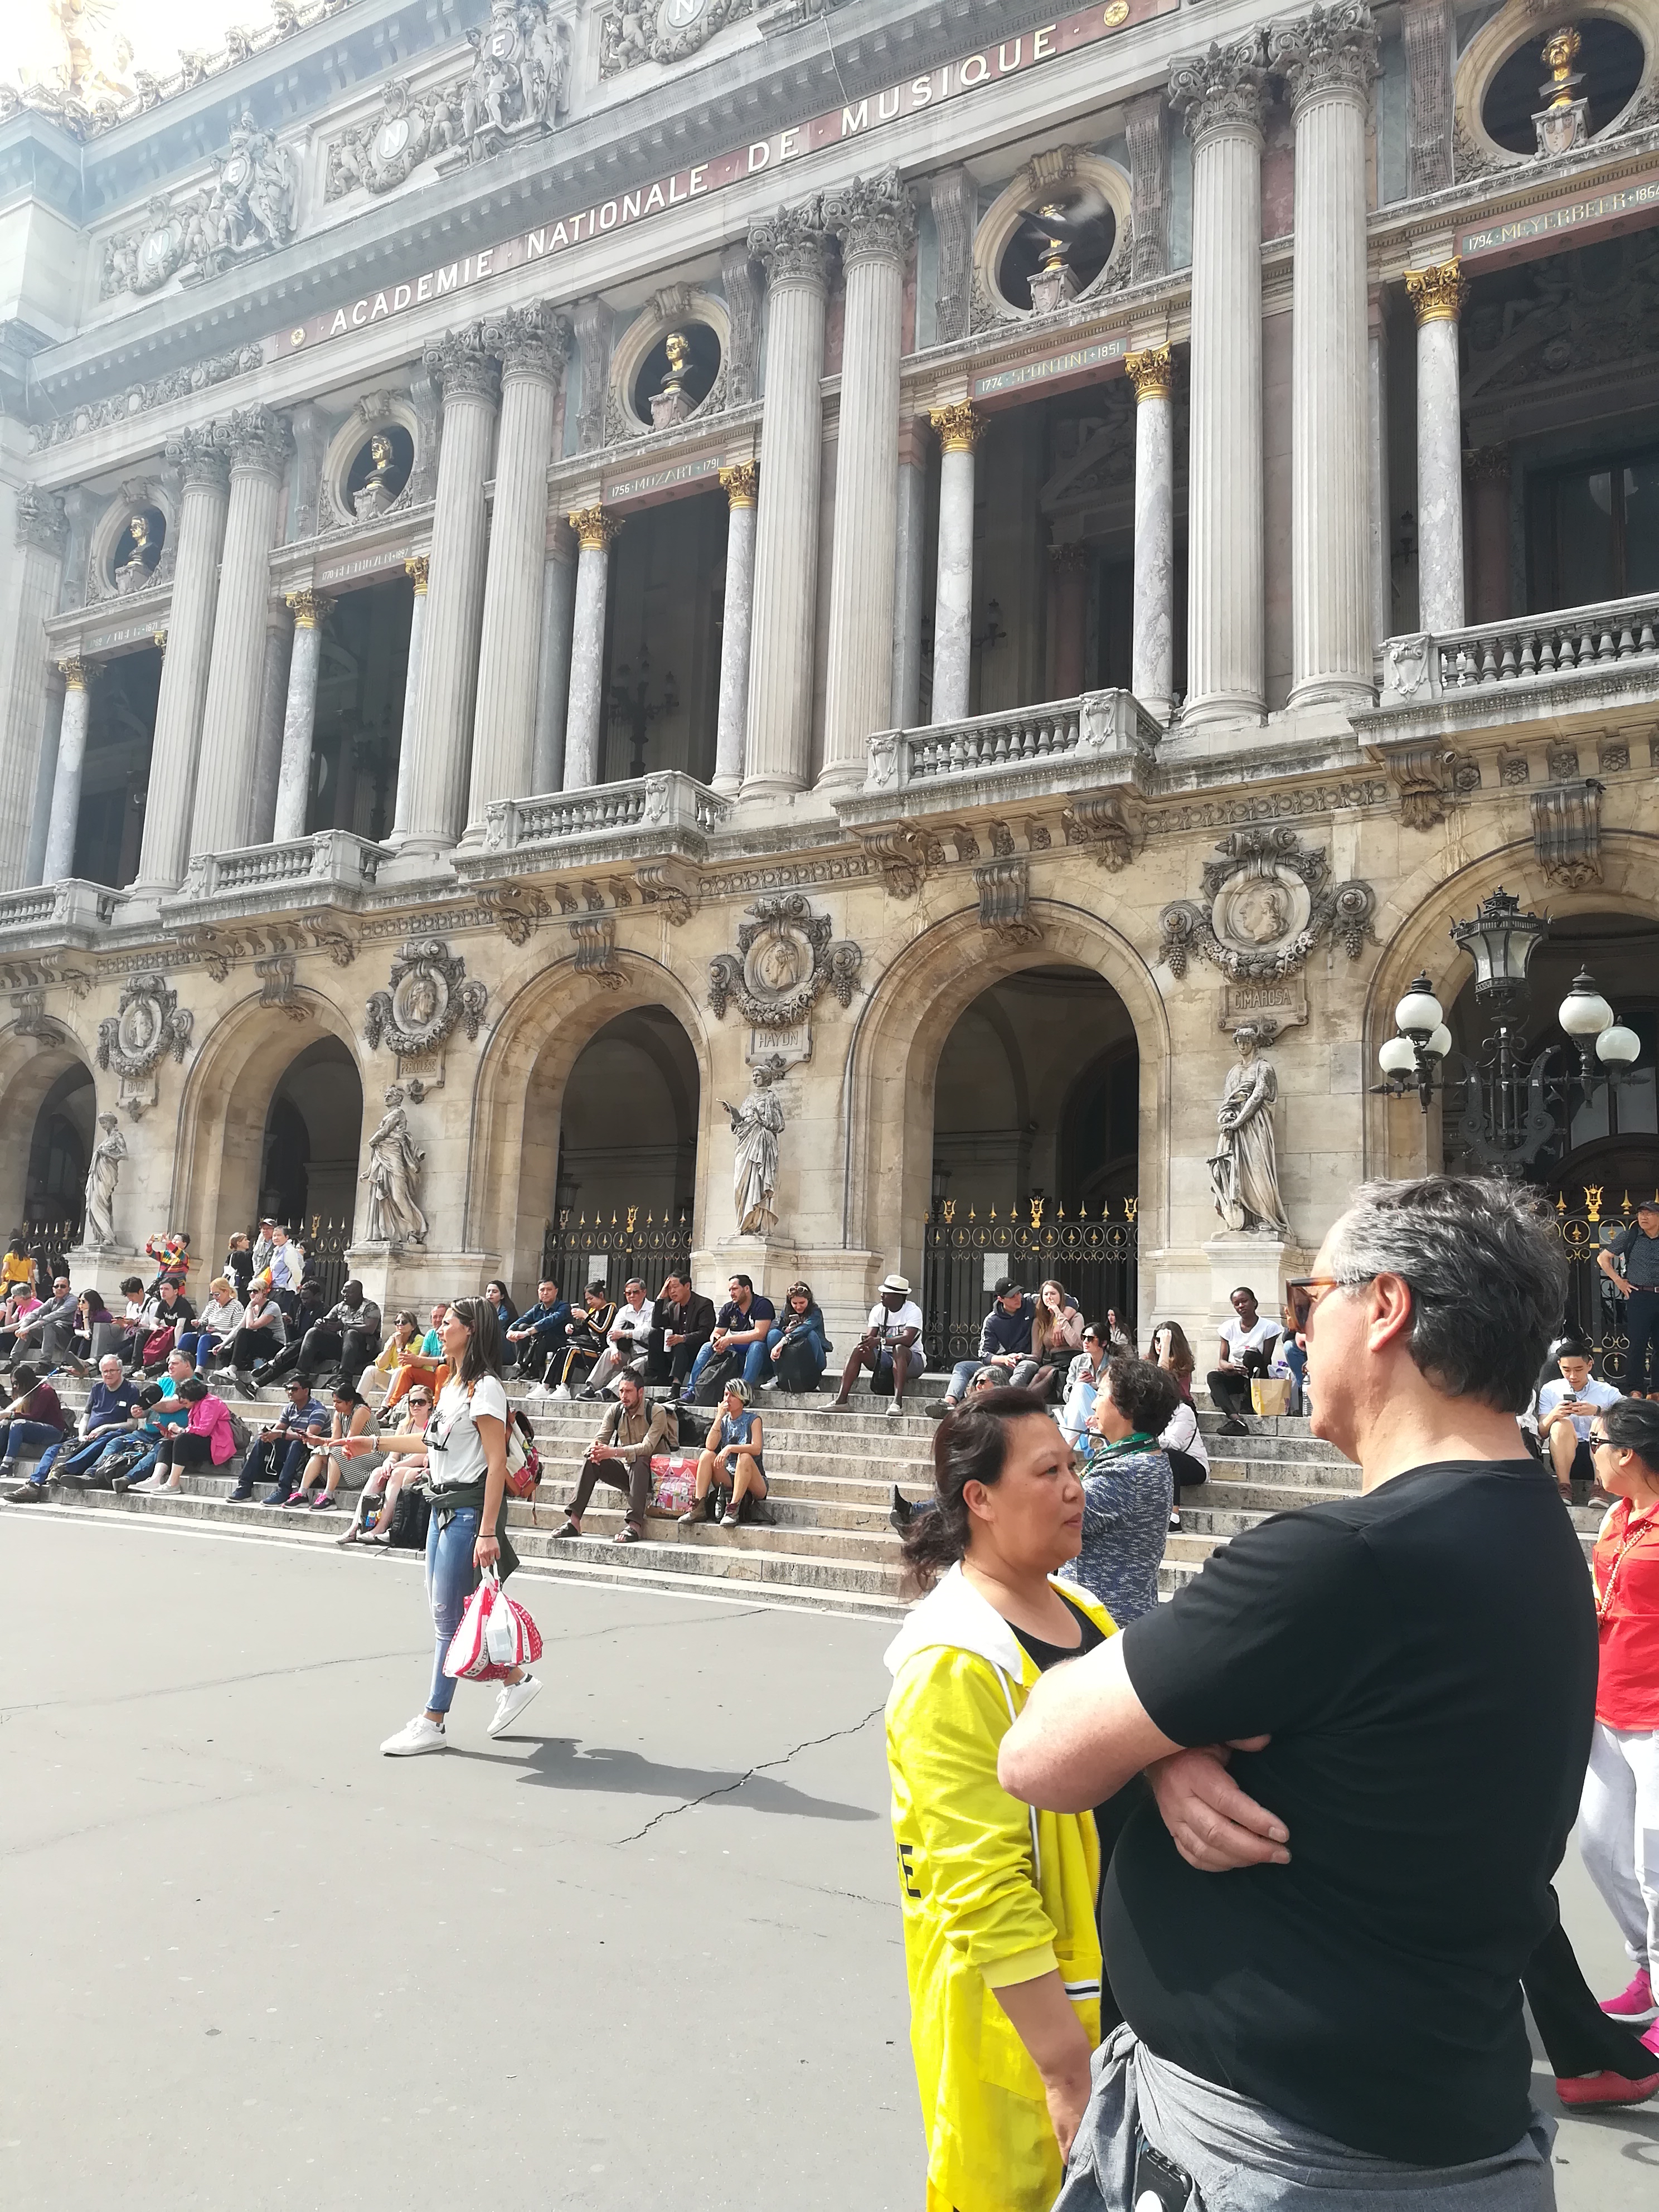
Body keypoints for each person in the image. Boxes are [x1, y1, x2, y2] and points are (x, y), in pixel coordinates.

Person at [1001, 1175, 1597, 2210]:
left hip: (1268, 2150)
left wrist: (1147, 1735)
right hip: (1451, 2114)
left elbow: (1038, 1752)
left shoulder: (1345, 1562)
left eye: (1310, 1290)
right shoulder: (1532, 1528)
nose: (1299, 1321)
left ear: (1385, 1306)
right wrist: (1161, 1742)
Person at [884, 1386, 1107, 2212]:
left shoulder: (1084, 1612)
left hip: (1112, 1999)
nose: (1075, 1487)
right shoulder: (953, 1659)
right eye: (1049, 1471)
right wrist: (1062, 2069)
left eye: (1074, 1465)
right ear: (979, 1500)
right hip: (1024, 2028)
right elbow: (982, 1887)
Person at [378, 1298, 542, 1755]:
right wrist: (370, 1440)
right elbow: (428, 1445)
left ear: (469, 1331)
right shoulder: (450, 1384)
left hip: (468, 1513)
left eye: (447, 1323)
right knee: (451, 1614)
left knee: (449, 1622)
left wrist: (488, 1531)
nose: (439, 1330)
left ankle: (434, 1720)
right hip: (442, 1509)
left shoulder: (485, 1389)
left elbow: (494, 1465)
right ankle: (516, 1681)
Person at [1579, 1394, 1659, 2056]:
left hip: (1657, 1717)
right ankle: (1647, 1968)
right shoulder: (1614, 1513)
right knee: (1601, 1851)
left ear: (1628, 1452)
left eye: (1598, 1439)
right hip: (1607, 1708)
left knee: (1655, 1865)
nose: (1589, 1449)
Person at [1069, 1357, 1179, 1628]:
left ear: (1127, 1408)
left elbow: (1055, 1514)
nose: (1094, 1403)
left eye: (1101, 1394)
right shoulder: (1149, 1457)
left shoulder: (1126, 1472)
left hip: (1104, 1619)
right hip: (1123, 1613)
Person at [555, 1371, 675, 1545]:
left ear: (641, 1392)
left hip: (655, 1479)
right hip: (631, 1476)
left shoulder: (657, 1412)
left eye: (628, 1391)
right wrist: (593, 1451)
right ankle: (574, 1521)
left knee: (640, 1459)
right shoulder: (616, 1410)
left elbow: (647, 1448)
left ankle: (634, 1525)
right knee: (593, 1459)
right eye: (621, 1391)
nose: (623, 1396)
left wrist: (613, 1452)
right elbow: (600, 1438)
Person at [5, 1351, 140, 1500]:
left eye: (112, 1371)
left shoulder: (131, 1390)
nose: (108, 1375)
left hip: (114, 1433)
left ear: (120, 1371)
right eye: (105, 1371)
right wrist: (82, 1434)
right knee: (54, 1449)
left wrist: (105, 1427)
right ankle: (34, 1485)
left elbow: (132, 1424)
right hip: (89, 1434)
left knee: (104, 1439)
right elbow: (85, 1418)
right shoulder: (97, 1389)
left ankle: (62, 1468)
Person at [338, 1386, 434, 1546]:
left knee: (397, 1473)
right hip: (401, 1467)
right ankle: (356, 1526)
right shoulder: (405, 1425)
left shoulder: (432, 1425)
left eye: (421, 1402)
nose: (416, 1406)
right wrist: (389, 1463)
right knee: (377, 1473)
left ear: (430, 1404)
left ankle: (381, 1528)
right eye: (412, 1402)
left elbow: (423, 1453)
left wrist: (396, 1466)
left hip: (423, 1467)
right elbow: (393, 1454)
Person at [931, 1280, 1036, 1415]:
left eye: (1018, 1293)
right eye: (1012, 1296)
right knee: (962, 1366)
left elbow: (1066, 1299)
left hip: (1026, 1359)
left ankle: (1002, 1402)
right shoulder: (992, 1321)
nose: (1018, 1298)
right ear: (1001, 1299)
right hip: (1003, 1364)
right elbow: (984, 1354)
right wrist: (1004, 1359)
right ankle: (949, 1403)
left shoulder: (1030, 1301)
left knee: (1025, 1366)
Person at [1537, 1336, 1621, 1502]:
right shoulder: (1550, 1390)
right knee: (1561, 1425)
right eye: (1567, 1370)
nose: (1573, 1376)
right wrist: (1555, 1414)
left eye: (1579, 1369)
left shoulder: (1608, 1392)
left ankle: (1599, 1487)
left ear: (1589, 1365)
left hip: (1602, 1456)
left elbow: (1625, 1426)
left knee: (1602, 1422)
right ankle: (1564, 1487)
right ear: (1559, 1365)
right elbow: (1542, 1432)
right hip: (1564, 1456)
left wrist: (1597, 1411)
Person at [679, 1377, 769, 1529]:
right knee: (707, 1455)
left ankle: (732, 1511)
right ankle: (698, 1506)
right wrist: (719, 1417)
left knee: (745, 1457)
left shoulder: (754, 1420)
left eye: (732, 1395)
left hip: (755, 1480)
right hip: (730, 1476)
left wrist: (730, 1448)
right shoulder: (724, 1421)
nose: (727, 1399)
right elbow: (710, 1445)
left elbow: (756, 1448)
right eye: (726, 1395)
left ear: (742, 1398)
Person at [833, 1273, 925, 1416]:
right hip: (885, 1358)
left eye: (886, 1293)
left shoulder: (913, 1311)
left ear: (898, 1296)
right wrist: (867, 1341)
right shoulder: (878, 1310)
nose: (881, 1295)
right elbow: (871, 1336)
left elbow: (907, 1340)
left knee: (899, 1349)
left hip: (912, 1361)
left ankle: (897, 1403)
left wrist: (881, 1340)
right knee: (859, 1350)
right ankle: (841, 1401)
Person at [266, 1280, 382, 1391]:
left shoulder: (370, 1307)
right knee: (313, 1332)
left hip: (364, 1350)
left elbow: (370, 1329)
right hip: (343, 1348)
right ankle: (300, 1375)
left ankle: (343, 1378)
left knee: (351, 1333)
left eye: (349, 1292)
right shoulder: (340, 1307)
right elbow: (327, 1319)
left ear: (359, 1293)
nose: (345, 1295)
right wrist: (321, 1323)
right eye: (344, 1292)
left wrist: (345, 1326)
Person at [682, 1273, 776, 1403]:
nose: (732, 1293)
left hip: (760, 1359)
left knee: (757, 1345)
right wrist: (717, 1341)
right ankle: (691, 1391)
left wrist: (729, 1340)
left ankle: (743, 1393)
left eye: (735, 1289)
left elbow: (760, 1334)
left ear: (747, 1289)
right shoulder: (729, 1308)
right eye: (730, 1290)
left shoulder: (762, 1304)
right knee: (707, 1346)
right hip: (736, 1356)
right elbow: (716, 1333)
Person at [1599, 1196, 1659, 1396]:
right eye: (1641, 1213)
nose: (1644, 1217)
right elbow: (1603, 1258)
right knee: (1637, 1344)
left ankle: (1657, 1389)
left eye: (1649, 1214)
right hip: (1639, 1296)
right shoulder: (1630, 1236)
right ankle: (1635, 1388)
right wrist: (1618, 1281)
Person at [285, 1384, 378, 1512]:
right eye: (334, 1402)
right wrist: (315, 1440)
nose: (335, 1405)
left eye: (338, 1402)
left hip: (372, 1453)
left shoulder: (361, 1410)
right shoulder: (338, 1414)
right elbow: (335, 1439)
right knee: (319, 1452)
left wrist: (318, 1440)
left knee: (336, 1452)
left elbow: (350, 1440)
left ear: (350, 1402)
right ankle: (302, 1493)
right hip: (352, 1450)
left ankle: (329, 1496)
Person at [135, 1375, 236, 1493]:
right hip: (204, 1442)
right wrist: (174, 1437)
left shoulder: (210, 1403)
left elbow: (204, 1431)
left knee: (183, 1438)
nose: (180, 1401)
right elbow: (194, 1432)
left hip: (217, 1446)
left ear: (192, 1395)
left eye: (183, 1397)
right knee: (167, 1443)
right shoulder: (196, 1405)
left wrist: (180, 1430)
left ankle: (173, 1483)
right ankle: (155, 1479)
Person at [241, 1376, 332, 1505]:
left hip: (314, 1451)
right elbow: (279, 1428)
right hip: (296, 1449)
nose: (290, 1392)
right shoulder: (290, 1408)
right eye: (287, 1389)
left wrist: (282, 1435)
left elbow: (310, 1437)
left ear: (306, 1391)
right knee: (263, 1442)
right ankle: (244, 1486)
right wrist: (268, 1434)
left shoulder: (318, 1409)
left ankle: (284, 1490)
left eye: (294, 1389)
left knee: (296, 1444)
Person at [1204, 1283, 1278, 1435]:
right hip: (1235, 1375)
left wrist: (1245, 1366)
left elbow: (1265, 1362)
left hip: (1256, 1377)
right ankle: (1235, 1419)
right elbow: (1222, 1362)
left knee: (1251, 1354)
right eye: (1236, 1304)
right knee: (1213, 1376)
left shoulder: (1269, 1327)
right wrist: (1231, 1367)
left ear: (1254, 1303)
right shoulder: (1228, 1327)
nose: (1241, 1306)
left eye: (1244, 1301)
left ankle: (1248, 1402)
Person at [639, 1272, 715, 1392]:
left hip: (695, 1351)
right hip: (676, 1353)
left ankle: (676, 1386)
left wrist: (683, 1338)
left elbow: (705, 1333)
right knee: (655, 1333)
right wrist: (660, 1298)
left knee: (680, 1345)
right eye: (669, 1289)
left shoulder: (704, 1304)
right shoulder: (672, 1306)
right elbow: (656, 1323)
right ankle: (658, 1375)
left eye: (675, 1287)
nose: (672, 1292)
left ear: (687, 1286)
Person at [541, 1280, 617, 1398]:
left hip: (601, 1351)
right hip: (589, 1347)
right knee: (563, 1350)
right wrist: (572, 1329)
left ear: (601, 1295)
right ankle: (546, 1386)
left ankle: (564, 1387)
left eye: (591, 1299)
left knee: (573, 1351)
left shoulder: (610, 1309)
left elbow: (602, 1330)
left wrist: (586, 1317)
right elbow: (584, 1331)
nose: (589, 1302)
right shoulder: (592, 1313)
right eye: (587, 1300)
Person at [583, 1277, 652, 1397]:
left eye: (635, 1292)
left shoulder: (652, 1309)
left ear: (644, 1292)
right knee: (609, 1352)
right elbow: (611, 1334)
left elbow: (646, 1332)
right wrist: (615, 1349)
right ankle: (591, 1387)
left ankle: (609, 1391)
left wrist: (625, 1333)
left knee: (637, 1364)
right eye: (628, 1293)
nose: (631, 1296)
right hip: (628, 1353)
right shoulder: (624, 1311)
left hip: (646, 1354)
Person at [0, 1363, 66, 1484]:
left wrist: (10, 1415)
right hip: (34, 1428)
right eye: (13, 1383)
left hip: (54, 1431)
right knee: (5, 1425)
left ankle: (8, 1465)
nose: (15, 1387)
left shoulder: (45, 1391)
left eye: (17, 1383)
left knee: (17, 1424)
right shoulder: (26, 1394)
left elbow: (35, 1416)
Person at [1158, 1381, 1209, 1536]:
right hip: (1166, 1466)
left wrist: (1146, 1439)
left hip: (1196, 1467)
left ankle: (1174, 1518)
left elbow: (1174, 1444)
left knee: (1168, 1454)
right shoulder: (1153, 1415)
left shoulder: (1184, 1411)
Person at [761, 1280, 828, 1393]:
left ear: (809, 1300)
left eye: (802, 1303)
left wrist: (784, 1341)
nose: (798, 1307)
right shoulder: (787, 1310)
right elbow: (779, 1329)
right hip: (792, 1353)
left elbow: (806, 1328)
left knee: (811, 1334)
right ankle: (778, 1376)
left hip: (814, 1355)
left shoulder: (816, 1312)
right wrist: (786, 1330)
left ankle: (813, 1379)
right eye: (795, 1303)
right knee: (773, 1334)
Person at [1026, 1278, 1085, 1398]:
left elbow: (1076, 1343)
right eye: (1046, 1294)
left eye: (1053, 1294)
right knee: (1040, 1374)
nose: (1049, 1297)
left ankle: (1025, 1401)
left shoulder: (1076, 1317)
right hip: (1055, 1360)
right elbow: (1036, 1354)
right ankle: (1023, 1401)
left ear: (1061, 1297)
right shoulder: (1039, 1322)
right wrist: (1021, 1356)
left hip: (1074, 1359)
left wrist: (1059, 1316)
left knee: (1051, 1373)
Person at [8, 1274, 79, 1372]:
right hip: (51, 1334)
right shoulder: (51, 1301)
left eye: (63, 1286)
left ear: (69, 1289)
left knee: (49, 1325)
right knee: (33, 1327)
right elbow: (35, 1314)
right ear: (53, 1289)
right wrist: (24, 1327)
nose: (59, 1289)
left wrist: (28, 1328)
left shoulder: (73, 1300)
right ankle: (13, 1362)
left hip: (67, 1335)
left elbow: (52, 1317)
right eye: (56, 1286)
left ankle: (44, 1364)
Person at [505, 1279, 573, 1378]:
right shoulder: (537, 1308)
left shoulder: (564, 1307)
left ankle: (533, 1370)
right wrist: (510, 1331)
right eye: (542, 1290)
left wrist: (528, 1332)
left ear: (556, 1291)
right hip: (538, 1344)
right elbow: (523, 1319)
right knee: (522, 1327)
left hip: (557, 1343)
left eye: (549, 1290)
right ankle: (523, 1366)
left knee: (540, 1332)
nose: (545, 1293)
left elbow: (550, 1321)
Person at [177, 1277, 244, 1371]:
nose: (215, 1298)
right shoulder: (212, 1304)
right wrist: (198, 1323)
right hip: (208, 1334)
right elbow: (203, 1320)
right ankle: (177, 1364)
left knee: (205, 1339)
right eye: (212, 1294)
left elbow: (237, 1329)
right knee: (186, 1337)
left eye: (217, 1294)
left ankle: (199, 1370)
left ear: (226, 1292)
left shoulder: (236, 1306)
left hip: (224, 1337)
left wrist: (218, 1330)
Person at [225, 1280, 287, 1382]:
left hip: (275, 1346)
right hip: (259, 1344)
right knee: (224, 1352)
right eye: (250, 1291)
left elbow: (251, 1326)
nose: (252, 1294)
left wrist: (250, 1307)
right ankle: (226, 1376)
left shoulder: (272, 1307)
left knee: (244, 1333)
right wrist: (223, 1344)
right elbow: (238, 1328)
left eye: (255, 1291)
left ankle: (232, 1369)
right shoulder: (252, 1307)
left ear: (263, 1292)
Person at [1060, 1324, 1112, 1443]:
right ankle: (1096, 1434)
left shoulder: (1113, 1365)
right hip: (1076, 1411)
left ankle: (1068, 1446)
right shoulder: (1077, 1361)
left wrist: (1094, 1386)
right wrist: (1077, 1384)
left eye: (1090, 1339)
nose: (1085, 1342)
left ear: (1103, 1343)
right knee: (1079, 1388)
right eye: (1084, 1338)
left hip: (1102, 1410)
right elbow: (1066, 1397)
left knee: (1082, 1388)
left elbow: (1114, 1396)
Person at [137, 1277, 194, 1370]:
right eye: (161, 1289)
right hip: (169, 1333)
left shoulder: (182, 1304)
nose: (163, 1292)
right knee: (142, 1333)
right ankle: (137, 1365)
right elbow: (153, 1324)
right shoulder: (163, 1303)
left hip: (183, 1335)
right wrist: (160, 1330)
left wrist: (176, 1347)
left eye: (166, 1289)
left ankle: (152, 1368)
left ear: (175, 1291)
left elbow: (180, 1326)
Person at [224, 1231, 254, 1301]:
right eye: (245, 1240)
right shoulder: (240, 1255)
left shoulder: (232, 1255)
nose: (248, 1242)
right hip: (241, 1285)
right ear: (239, 1243)